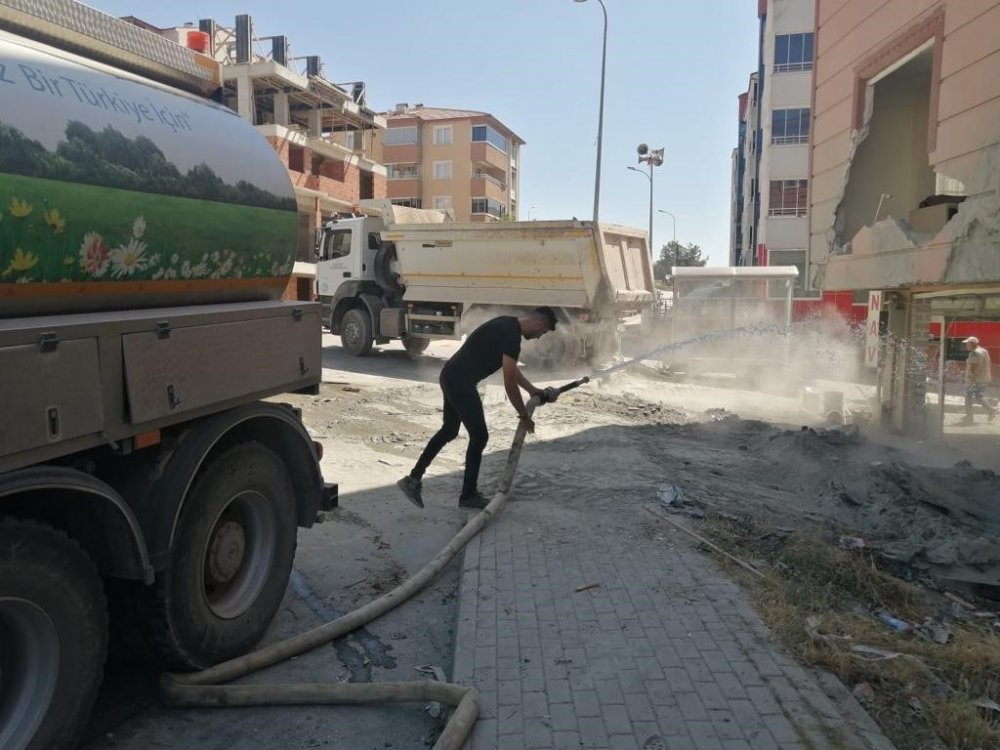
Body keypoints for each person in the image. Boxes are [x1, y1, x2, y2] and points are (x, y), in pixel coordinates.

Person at [397, 307, 560, 509]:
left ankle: (412, 480)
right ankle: (468, 495)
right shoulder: (511, 335)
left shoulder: (507, 324)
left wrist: (533, 390)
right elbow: (509, 383)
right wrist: (524, 416)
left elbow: (512, 370)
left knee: (449, 430)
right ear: (539, 324)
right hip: (461, 382)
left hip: (450, 376)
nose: (537, 337)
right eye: (542, 333)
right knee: (480, 436)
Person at [961, 336, 995, 424]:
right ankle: (990, 410)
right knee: (978, 396)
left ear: (972, 344)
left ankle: (969, 417)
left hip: (975, 380)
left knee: (968, 397)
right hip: (983, 378)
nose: (966, 345)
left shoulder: (974, 353)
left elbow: (973, 367)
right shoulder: (984, 351)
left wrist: (970, 379)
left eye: (967, 343)